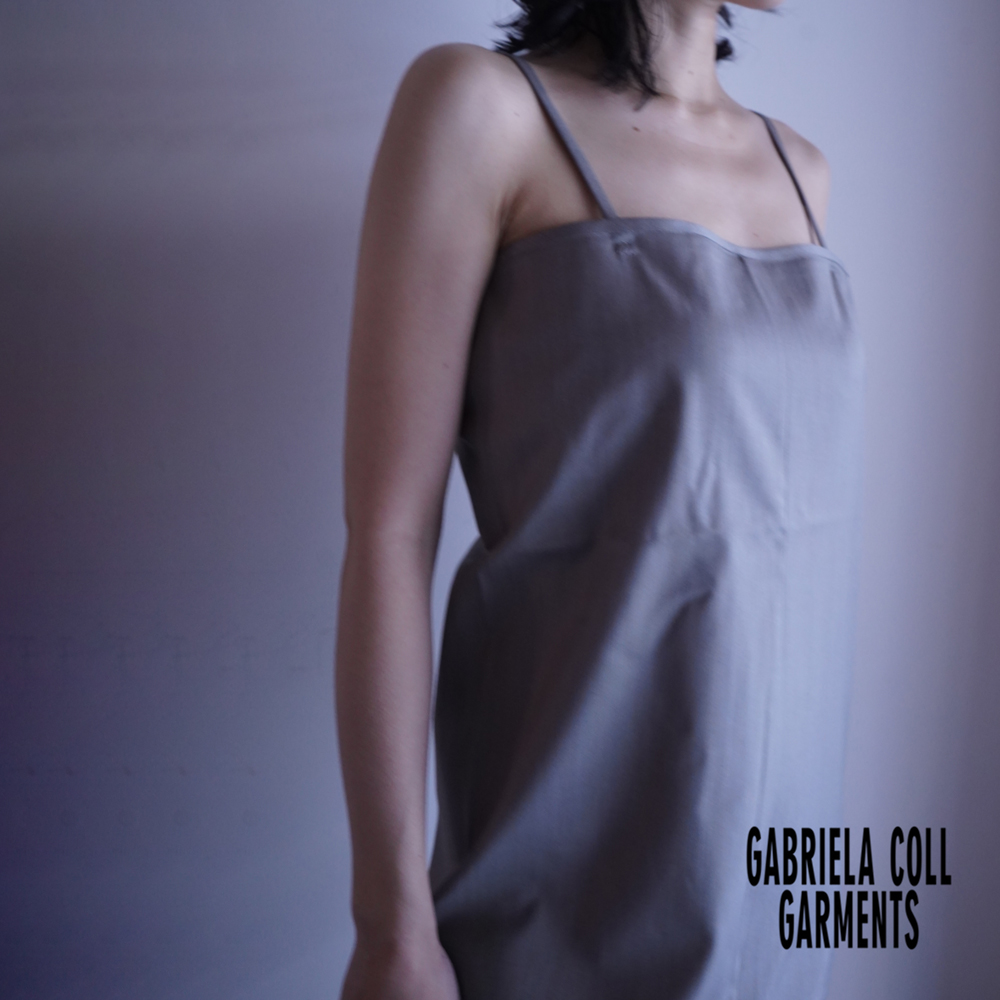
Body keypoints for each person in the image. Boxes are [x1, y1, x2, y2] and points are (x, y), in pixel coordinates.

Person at [335, 1, 864, 998]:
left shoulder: (802, 169)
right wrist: (389, 927)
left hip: (782, 898)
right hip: (568, 882)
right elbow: (388, 534)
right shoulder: (483, 110)